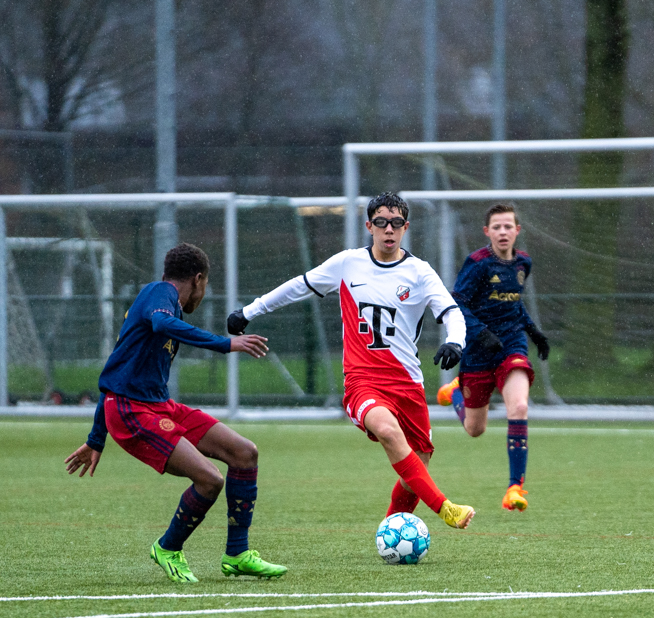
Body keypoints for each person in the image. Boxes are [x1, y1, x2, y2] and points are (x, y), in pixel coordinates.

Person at [227, 192, 475, 529]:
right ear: (369, 225)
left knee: (419, 461)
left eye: (397, 223)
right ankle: (445, 508)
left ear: (406, 228)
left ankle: (390, 530)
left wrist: (455, 342)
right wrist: (249, 311)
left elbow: (451, 313)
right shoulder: (347, 264)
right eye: (382, 223)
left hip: (408, 383)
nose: (389, 230)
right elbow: (297, 287)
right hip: (363, 381)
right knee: (388, 431)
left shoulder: (420, 272)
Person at [64, 243, 287, 584]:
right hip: (131, 411)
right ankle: (168, 548)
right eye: (206, 284)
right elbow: (160, 325)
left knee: (244, 453)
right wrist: (225, 343)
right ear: (198, 279)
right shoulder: (159, 294)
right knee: (210, 479)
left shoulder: (164, 303)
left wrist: (95, 438)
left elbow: (117, 367)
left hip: (156, 404)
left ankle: (238, 554)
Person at [437, 203, 550, 512]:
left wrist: (532, 331)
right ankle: (457, 392)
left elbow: (515, 304)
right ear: (487, 232)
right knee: (475, 429)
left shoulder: (523, 263)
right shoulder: (477, 264)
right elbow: (456, 302)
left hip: (511, 345)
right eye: (496, 227)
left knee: (520, 406)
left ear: (517, 231)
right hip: (478, 349)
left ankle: (515, 488)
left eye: (508, 226)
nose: (503, 232)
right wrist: (479, 332)